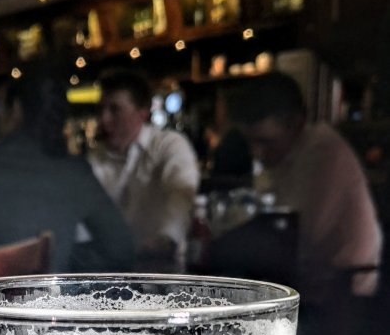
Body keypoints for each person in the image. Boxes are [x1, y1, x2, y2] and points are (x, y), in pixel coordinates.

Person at [229, 71, 383, 300]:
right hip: (313, 281)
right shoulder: (287, 154)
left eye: (265, 142)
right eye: (250, 142)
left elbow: (298, 238)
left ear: (296, 123)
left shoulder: (322, 151)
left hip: (346, 290)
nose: (256, 153)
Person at [0, 67, 134, 273]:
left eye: (1, 107)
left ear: (17, 108)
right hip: (50, 291)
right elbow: (120, 250)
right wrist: (61, 256)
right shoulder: (74, 172)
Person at [88, 69, 200, 272]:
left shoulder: (168, 145)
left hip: (163, 271)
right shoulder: (95, 158)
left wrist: (166, 239)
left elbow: (181, 196)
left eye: (115, 110)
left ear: (142, 113)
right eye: (101, 109)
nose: (104, 119)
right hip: (110, 272)